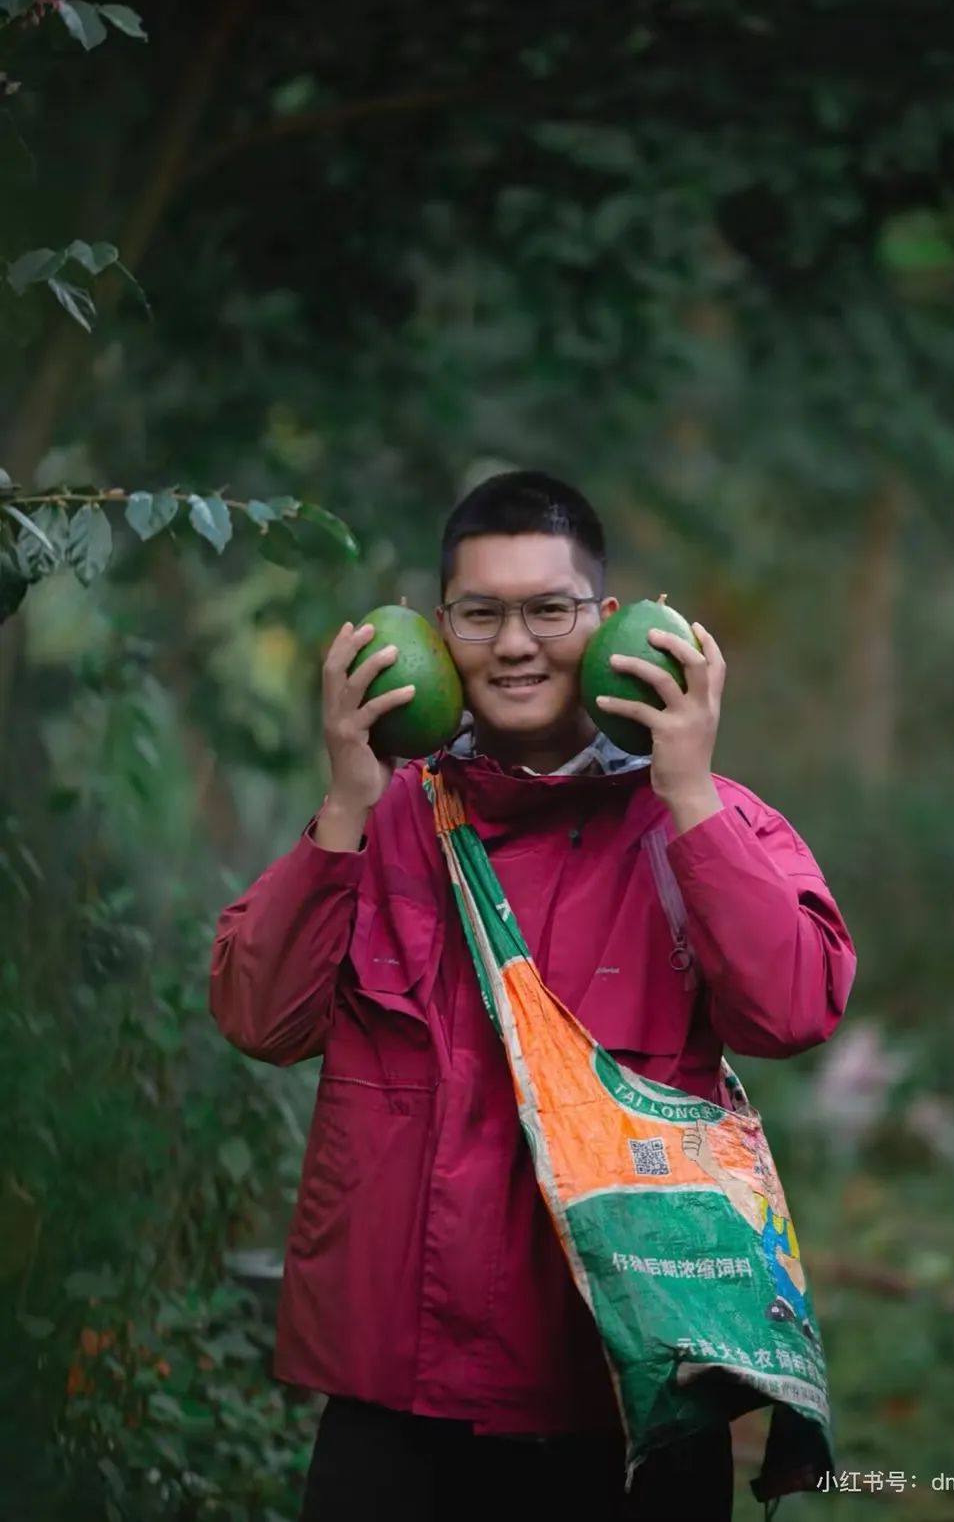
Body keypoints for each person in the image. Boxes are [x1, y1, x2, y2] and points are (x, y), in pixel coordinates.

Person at [209, 469, 857, 1521]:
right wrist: (345, 796)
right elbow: (258, 1017)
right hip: (396, 1403)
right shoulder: (384, 821)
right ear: (434, 627)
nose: (516, 645)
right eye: (481, 613)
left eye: (549, 610)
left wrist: (689, 789)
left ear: (604, 620)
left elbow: (792, 1012)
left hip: (630, 1398)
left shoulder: (700, 822)